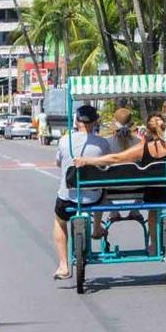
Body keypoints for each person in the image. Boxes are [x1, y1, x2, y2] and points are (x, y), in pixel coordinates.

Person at [75, 103, 166, 258]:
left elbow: (115, 158)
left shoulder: (140, 148)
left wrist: (88, 161)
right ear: (163, 127)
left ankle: (154, 244)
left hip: (145, 193)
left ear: (148, 129)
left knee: (153, 210)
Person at [52, 104, 112, 280]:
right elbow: (106, 165)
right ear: (95, 122)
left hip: (68, 198)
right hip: (94, 198)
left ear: (76, 121)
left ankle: (64, 265)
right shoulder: (102, 143)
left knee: (59, 221)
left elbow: (58, 163)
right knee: (103, 189)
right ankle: (96, 227)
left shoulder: (64, 141)